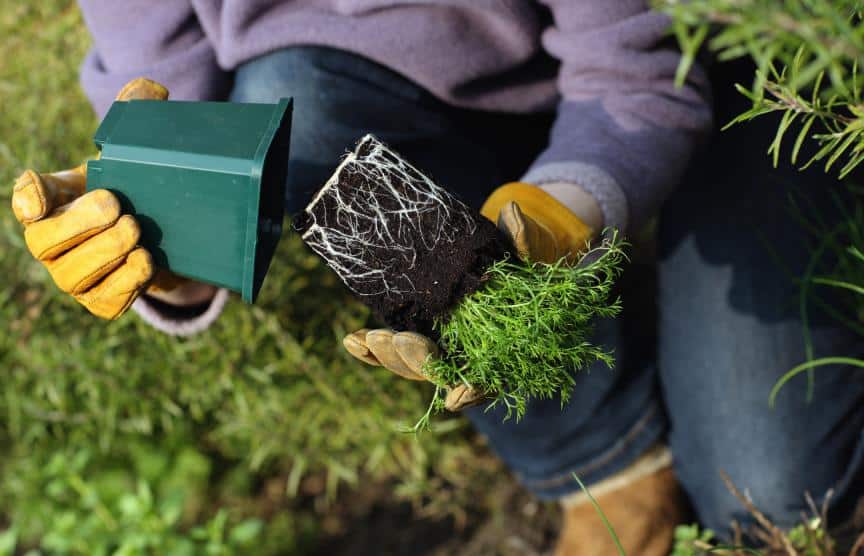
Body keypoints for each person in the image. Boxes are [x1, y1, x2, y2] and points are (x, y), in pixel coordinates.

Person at [11, 2, 864, 554]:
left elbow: (637, 77)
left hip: (726, 59)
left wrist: (555, 216)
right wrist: (160, 252)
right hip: (381, 114)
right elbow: (189, 127)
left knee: (778, 503)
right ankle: (604, 456)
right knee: (290, 100)